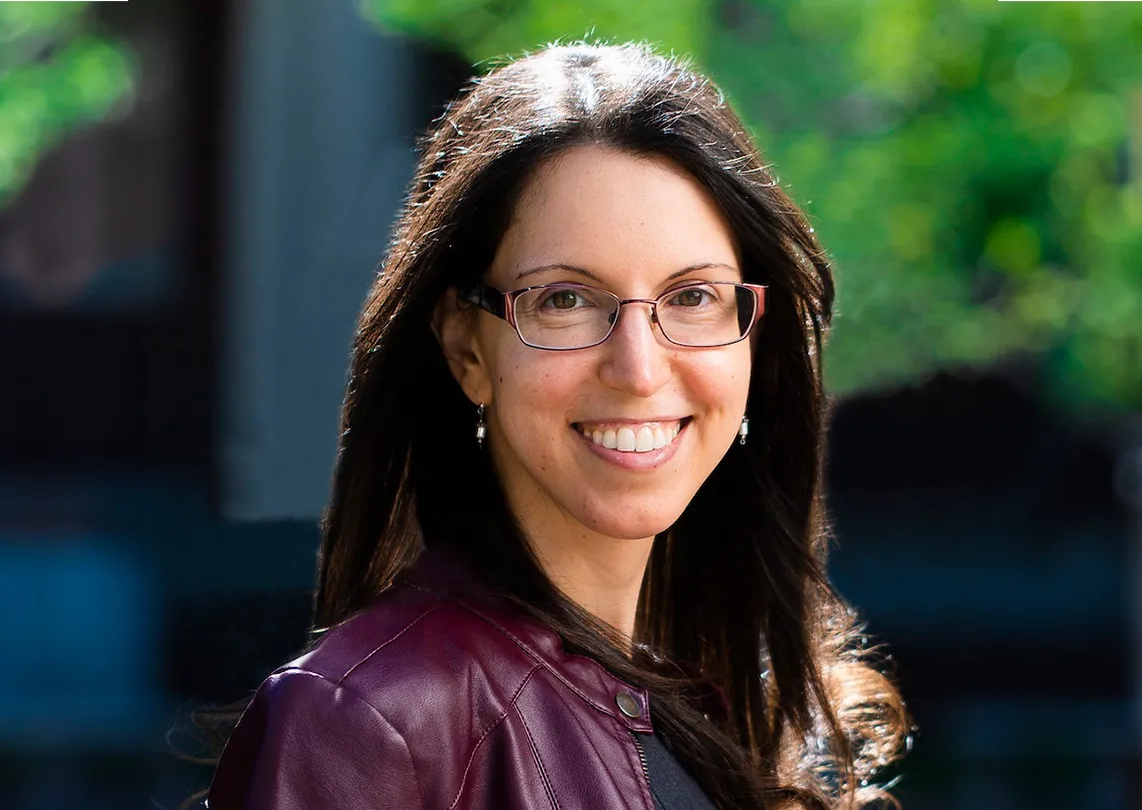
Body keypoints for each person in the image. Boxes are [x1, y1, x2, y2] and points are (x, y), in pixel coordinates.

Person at [206, 41, 907, 810]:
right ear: (467, 347)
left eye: (693, 297)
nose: (639, 369)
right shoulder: (371, 723)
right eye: (565, 300)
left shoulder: (707, 702)